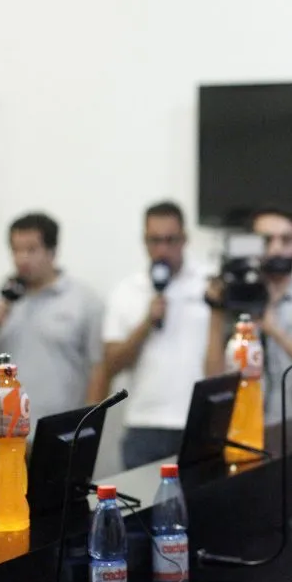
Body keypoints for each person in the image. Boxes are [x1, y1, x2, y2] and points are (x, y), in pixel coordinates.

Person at [203, 206, 292, 454]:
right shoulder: (234, 302)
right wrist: (216, 311)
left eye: (286, 240)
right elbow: (213, 379)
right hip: (244, 438)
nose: (277, 249)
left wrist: (273, 329)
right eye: (267, 240)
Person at [0, 213, 106, 433]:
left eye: (31, 250)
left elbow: (99, 367)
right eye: (16, 250)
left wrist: (88, 427)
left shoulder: (83, 300)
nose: (22, 259)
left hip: (60, 431)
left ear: (52, 251)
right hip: (2, 433)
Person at [102, 201, 210, 470]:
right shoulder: (127, 291)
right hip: (144, 423)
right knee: (139, 498)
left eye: (170, 240)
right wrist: (147, 323)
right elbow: (111, 364)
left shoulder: (210, 284)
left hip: (198, 421)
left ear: (185, 239)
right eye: (155, 241)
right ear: (144, 241)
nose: (162, 250)